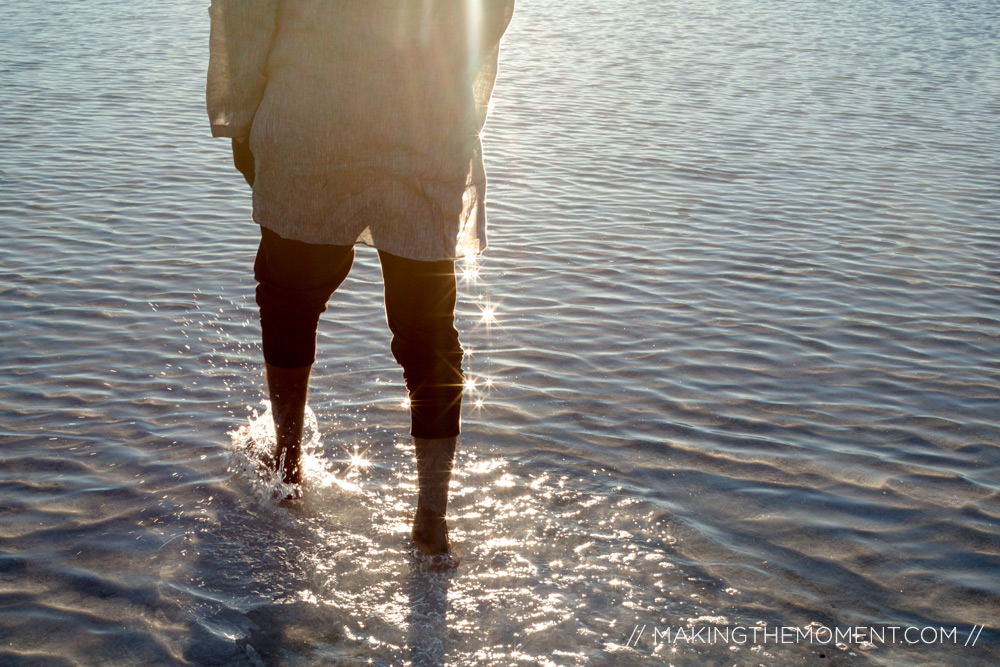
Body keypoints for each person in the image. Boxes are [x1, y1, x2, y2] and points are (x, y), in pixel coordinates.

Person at [206, 1, 515, 567]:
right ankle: (432, 520)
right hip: (425, 124)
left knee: (290, 302)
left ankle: (288, 467)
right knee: (428, 336)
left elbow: (247, 14)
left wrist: (242, 121)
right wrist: (444, 92)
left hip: (313, 116)